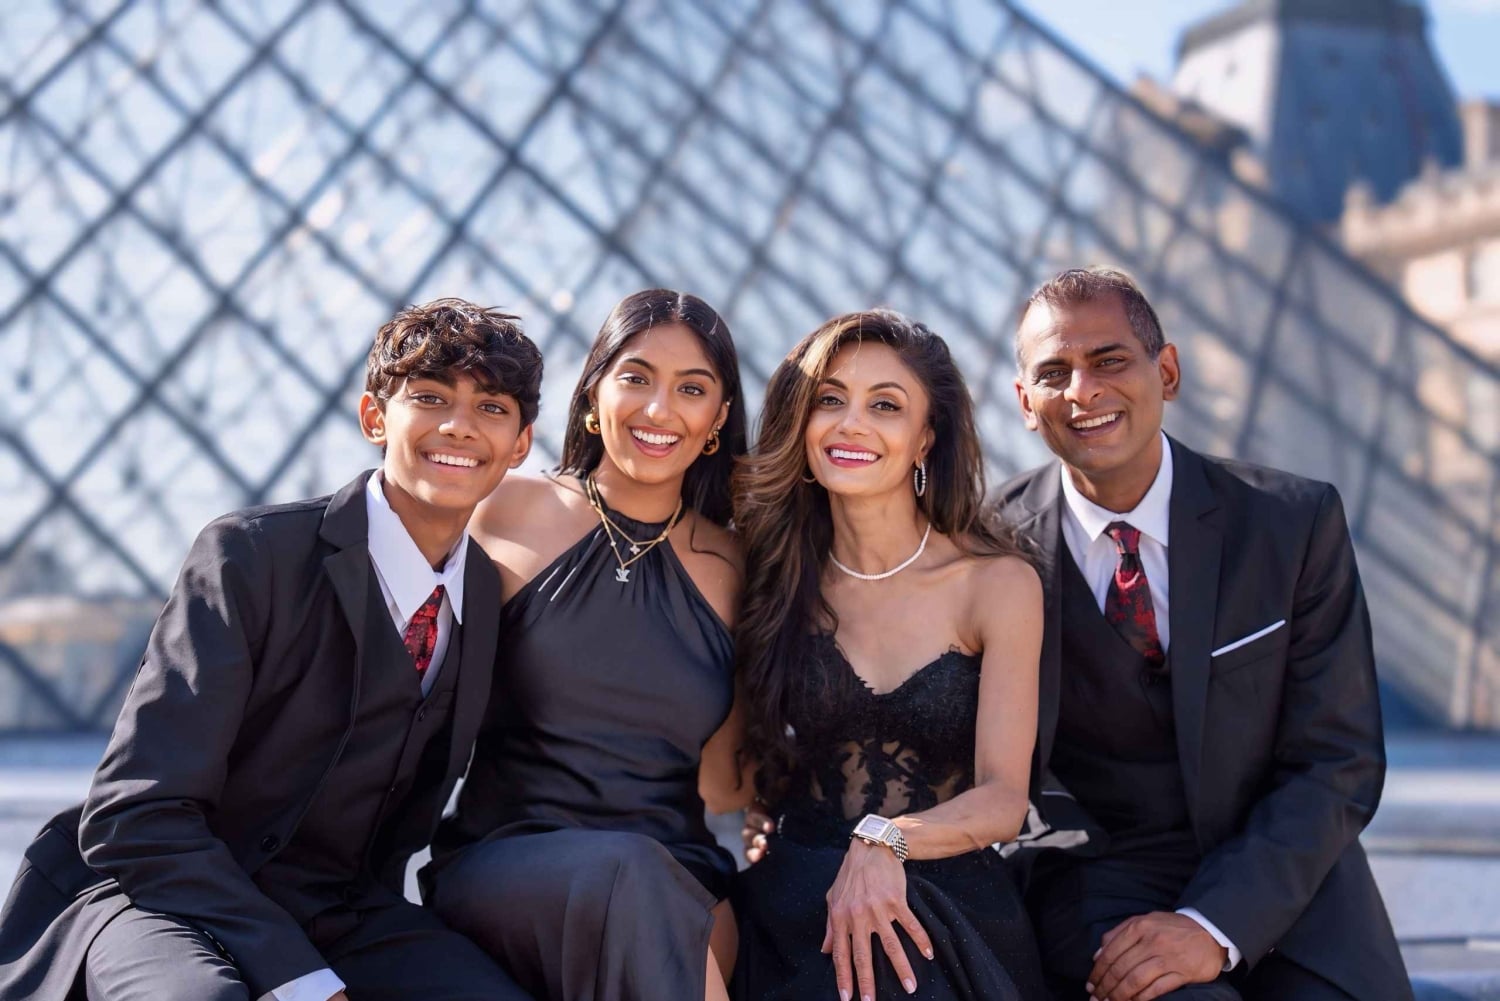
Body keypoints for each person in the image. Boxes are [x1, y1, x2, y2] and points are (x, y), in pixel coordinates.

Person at [0, 299, 542, 1001]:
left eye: (491, 407)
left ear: (522, 442)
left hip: (342, 909)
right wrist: (299, 975)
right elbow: (133, 813)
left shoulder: (484, 593)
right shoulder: (252, 556)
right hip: (157, 897)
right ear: (374, 417)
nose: (459, 426)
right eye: (430, 397)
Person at [998, 267, 1408, 1000]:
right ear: (1026, 403)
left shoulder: (1292, 523)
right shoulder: (987, 544)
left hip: (1293, 890)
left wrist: (1212, 922)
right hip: (1101, 892)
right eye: (1054, 372)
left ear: (1169, 370)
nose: (1083, 390)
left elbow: (1338, 759)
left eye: (1110, 360)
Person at [419, 288, 748, 1001]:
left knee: (659, 893)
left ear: (718, 419)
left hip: (676, 871)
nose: (659, 409)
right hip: (507, 859)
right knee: (633, 880)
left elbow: (726, 782)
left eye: (691, 389)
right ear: (594, 390)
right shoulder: (505, 508)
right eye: (636, 377)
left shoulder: (738, 569)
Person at [729, 309, 1049, 1001]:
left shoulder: (997, 584)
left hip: (942, 892)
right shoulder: (772, 574)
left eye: (885, 405)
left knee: (895, 968)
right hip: (792, 889)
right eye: (830, 399)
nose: (851, 424)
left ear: (926, 438)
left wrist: (884, 840)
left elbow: (1003, 797)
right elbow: (732, 759)